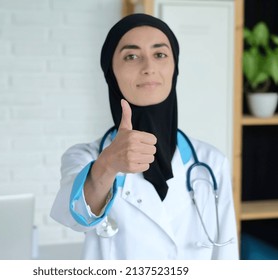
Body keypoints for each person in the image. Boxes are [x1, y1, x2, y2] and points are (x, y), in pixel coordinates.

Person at [50, 13, 238, 260]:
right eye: (131, 56)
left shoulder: (211, 163)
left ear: (174, 67)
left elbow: (226, 256)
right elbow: (75, 215)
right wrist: (107, 165)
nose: (149, 68)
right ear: (111, 73)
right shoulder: (86, 157)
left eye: (160, 54)